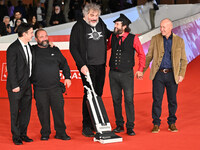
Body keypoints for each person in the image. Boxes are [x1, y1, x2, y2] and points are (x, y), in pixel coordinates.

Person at [69, 3, 111, 137]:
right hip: (87, 66)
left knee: (98, 93)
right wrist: (81, 64)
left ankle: (95, 122)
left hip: (101, 65)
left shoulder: (101, 23)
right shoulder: (78, 26)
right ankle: (86, 125)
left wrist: (120, 31)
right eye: (92, 15)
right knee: (89, 95)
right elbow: (73, 48)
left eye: (97, 15)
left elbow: (109, 34)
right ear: (86, 15)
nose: (94, 18)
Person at [143, 18, 188, 133]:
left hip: (172, 75)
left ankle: (172, 123)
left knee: (172, 100)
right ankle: (156, 124)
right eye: (161, 27)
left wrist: (181, 74)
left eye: (164, 27)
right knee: (157, 100)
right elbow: (149, 57)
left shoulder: (179, 41)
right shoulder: (155, 39)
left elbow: (184, 60)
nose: (161, 29)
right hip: (158, 75)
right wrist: (141, 70)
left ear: (170, 28)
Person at [107, 14, 145, 136]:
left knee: (129, 100)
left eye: (117, 24)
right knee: (116, 100)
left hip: (126, 74)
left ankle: (130, 126)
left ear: (124, 26)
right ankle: (119, 125)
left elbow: (141, 54)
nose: (115, 26)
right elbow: (105, 48)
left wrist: (140, 69)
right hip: (113, 73)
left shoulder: (133, 38)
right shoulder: (113, 37)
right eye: (115, 24)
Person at [31, 29, 71, 141]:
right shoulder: (32, 50)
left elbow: (64, 64)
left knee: (59, 111)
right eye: (41, 36)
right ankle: (45, 133)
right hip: (40, 89)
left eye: (46, 36)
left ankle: (61, 132)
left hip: (55, 88)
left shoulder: (55, 49)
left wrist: (67, 77)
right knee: (43, 112)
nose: (44, 38)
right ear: (36, 39)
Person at [6, 23, 34, 145]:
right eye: (31, 33)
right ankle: (16, 136)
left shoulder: (30, 47)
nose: (33, 35)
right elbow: (11, 69)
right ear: (24, 34)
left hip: (27, 85)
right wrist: (14, 85)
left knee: (26, 111)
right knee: (15, 112)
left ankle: (23, 134)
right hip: (16, 86)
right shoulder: (13, 48)